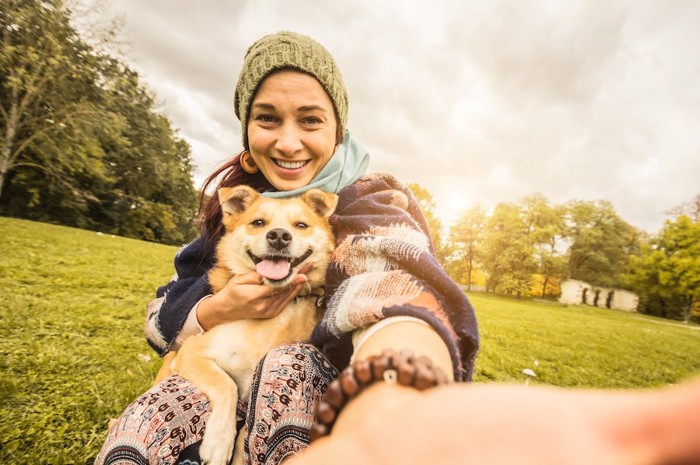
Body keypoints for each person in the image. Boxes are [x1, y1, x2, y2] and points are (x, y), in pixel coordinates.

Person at [95, 31, 478, 465]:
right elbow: (160, 317)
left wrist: (402, 378)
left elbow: (393, 284)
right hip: (215, 370)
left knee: (288, 365)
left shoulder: (369, 204)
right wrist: (217, 309)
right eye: (268, 118)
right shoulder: (237, 207)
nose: (288, 143)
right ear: (248, 131)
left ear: (338, 129)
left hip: (302, 385)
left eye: (310, 119)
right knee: (144, 436)